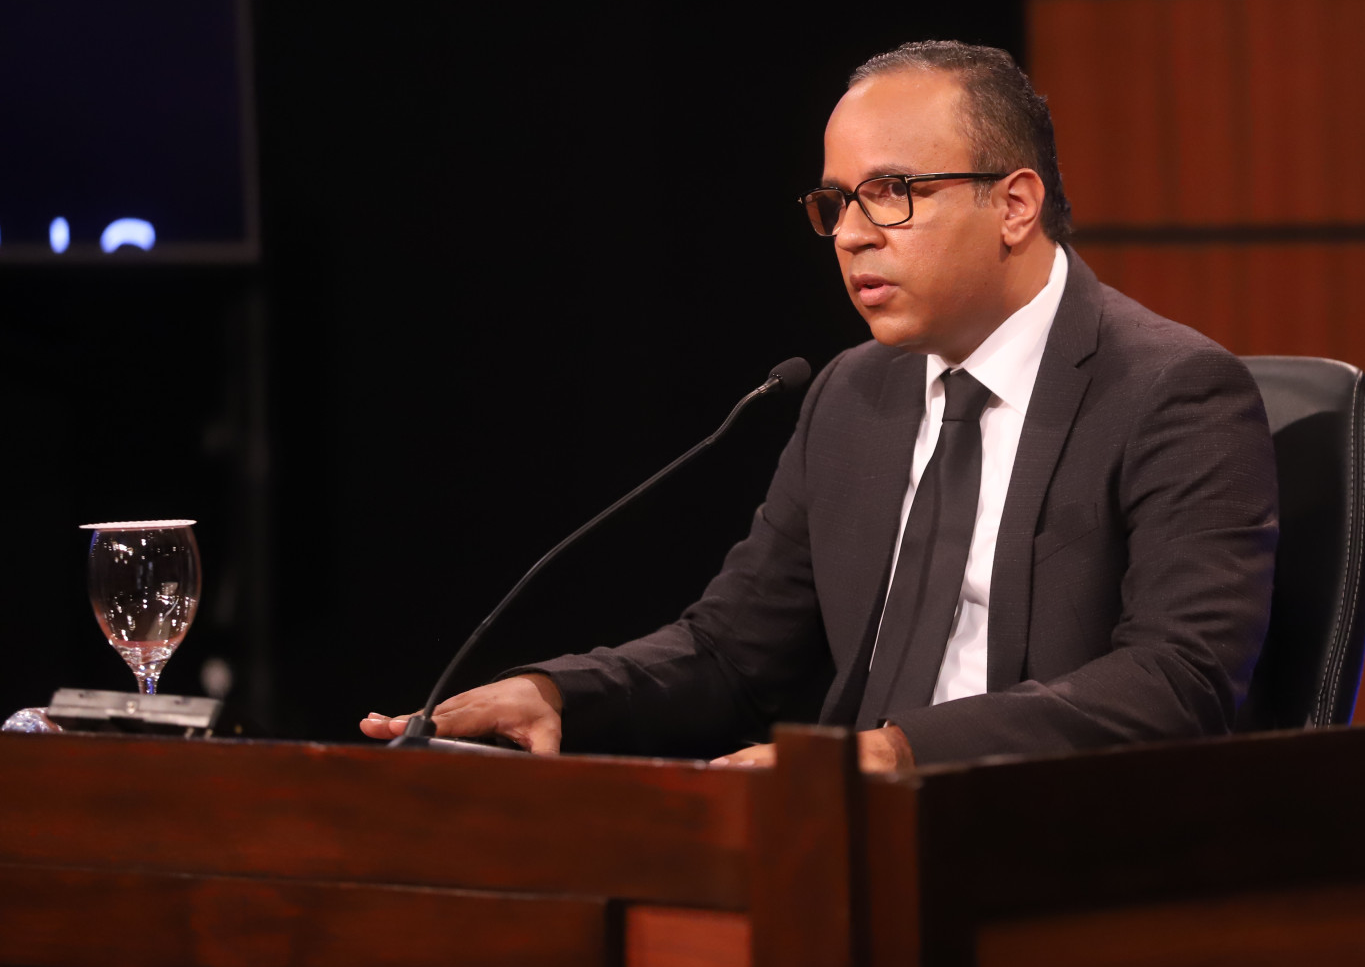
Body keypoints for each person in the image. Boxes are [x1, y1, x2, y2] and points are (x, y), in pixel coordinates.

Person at [363, 41, 1279, 771]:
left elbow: (1178, 680)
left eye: (892, 194)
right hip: (844, 842)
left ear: (1013, 204)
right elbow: (732, 653)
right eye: (836, 202)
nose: (848, 235)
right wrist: (558, 694)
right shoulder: (852, 394)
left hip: (1049, 843)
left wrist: (893, 754)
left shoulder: (1170, 392)